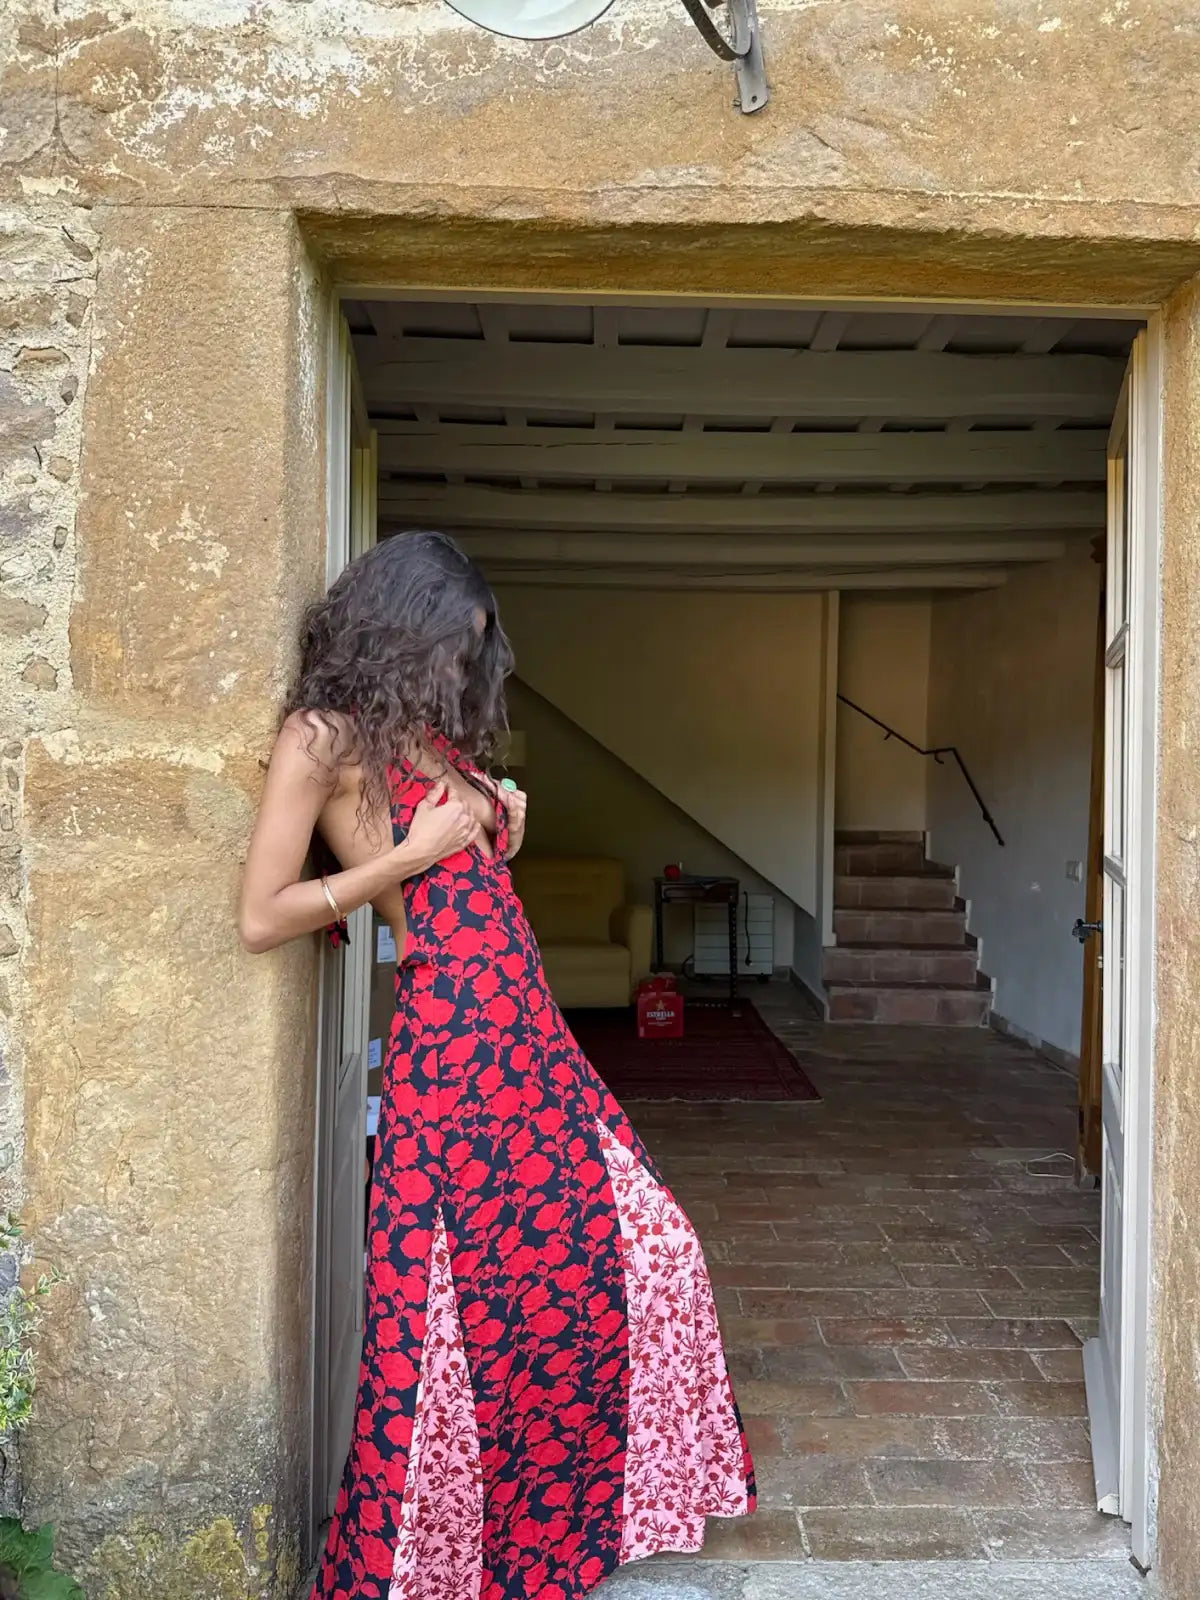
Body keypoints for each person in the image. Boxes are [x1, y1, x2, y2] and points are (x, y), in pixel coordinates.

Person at [239, 530, 755, 1600]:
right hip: (454, 1047)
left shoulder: (421, 734)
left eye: (473, 649)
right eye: (453, 644)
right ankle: (433, 1560)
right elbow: (261, 914)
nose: (462, 667)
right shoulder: (320, 736)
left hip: (530, 1032)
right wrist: (405, 858)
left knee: (636, 1248)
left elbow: (463, 870)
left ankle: (558, 1522)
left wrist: (497, 823)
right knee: (451, 1303)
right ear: (397, 627)